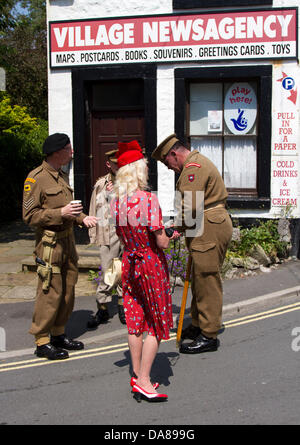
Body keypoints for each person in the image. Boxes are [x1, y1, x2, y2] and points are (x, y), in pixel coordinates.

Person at [152, 134, 233, 354]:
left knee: (207, 281)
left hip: (208, 226)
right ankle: (198, 325)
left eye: (168, 163)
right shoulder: (194, 164)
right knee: (199, 280)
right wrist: (178, 224)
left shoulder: (193, 168)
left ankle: (209, 335)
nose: (169, 168)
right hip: (204, 224)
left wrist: (173, 228)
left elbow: (191, 208)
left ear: (174, 154)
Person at [112, 140, 179, 402]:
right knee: (156, 322)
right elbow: (161, 241)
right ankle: (143, 380)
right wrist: (169, 234)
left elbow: (120, 236)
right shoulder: (149, 200)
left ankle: (136, 371)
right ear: (139, 171)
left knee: (135, 318)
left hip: (130, 261)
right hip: (150, 264)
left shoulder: (116, 202)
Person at [22, 133, 98, 360]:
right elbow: (29, 215)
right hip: (49, 245)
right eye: (69, 149)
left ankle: (58, 333)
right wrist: (60, 213)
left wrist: (82, 218)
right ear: (57, 152)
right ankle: (42, 340)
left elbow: (68, 208)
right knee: (50, 291)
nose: (72, 152)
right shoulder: (35, 179)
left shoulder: (61, 176)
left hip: (68, 242)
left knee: (67, 290)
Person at [87, 149, 125, 328]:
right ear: (108, 164)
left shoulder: (132, 182)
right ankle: (102, 308)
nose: (119, 166)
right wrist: (93, 234)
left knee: (125, 271)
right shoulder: (101, 184)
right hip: (108, 234)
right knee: (109, 271)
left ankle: (122, 305)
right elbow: (94, 209)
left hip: (128, 232)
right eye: (115, 163)